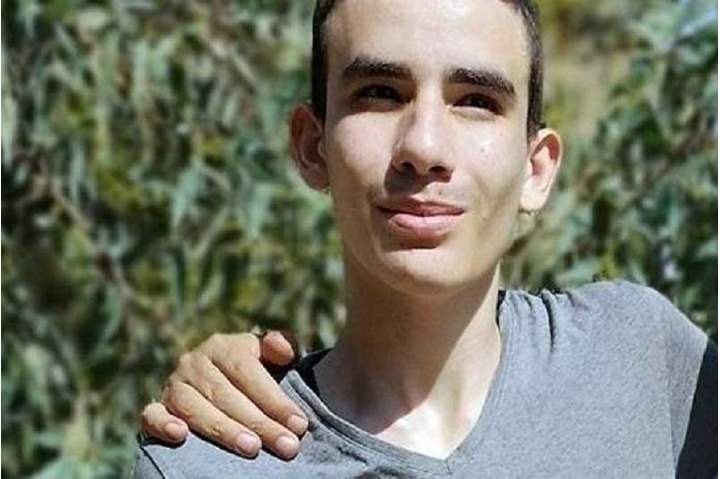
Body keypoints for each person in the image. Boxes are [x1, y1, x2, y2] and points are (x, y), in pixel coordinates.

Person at [134, 0, 717, 477]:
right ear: (313, 146)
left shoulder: (642, 361)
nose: (424, 147)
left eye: (477, 102)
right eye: (380, 92)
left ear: (536, 169)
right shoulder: (209, 462)